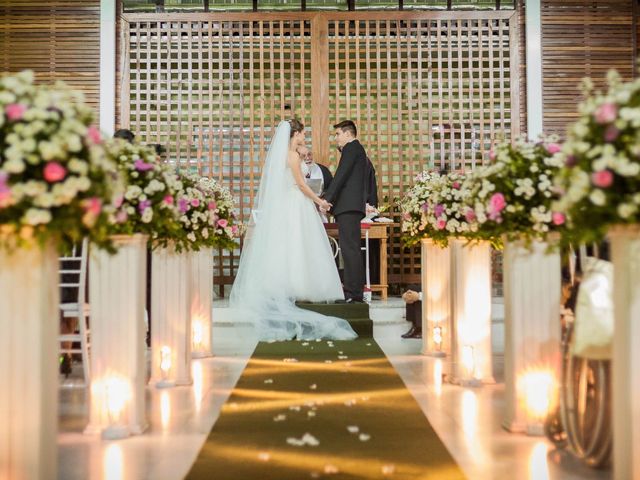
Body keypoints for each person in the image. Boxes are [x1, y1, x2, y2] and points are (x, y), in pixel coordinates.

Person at [229, 120, 357, 341]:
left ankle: (292, 283)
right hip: (297, 203)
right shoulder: (293, 156)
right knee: (299, 244)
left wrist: (302, 152)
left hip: (291, 203)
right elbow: (300, 184)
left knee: (290, 245)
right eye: (302, 134)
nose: (304, 137)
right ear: (295, 133)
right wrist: (320, 201)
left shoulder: (288, 155)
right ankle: (300, 285)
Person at [323, 120, 369, 304]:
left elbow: (341, 175)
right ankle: (354, 292)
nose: (336, 138)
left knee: (350, 250)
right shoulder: (357, 150)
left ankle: (353, 293)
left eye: (338, 134)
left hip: (348, 207)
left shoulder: (352, 148)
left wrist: (327, 199)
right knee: (351, 250)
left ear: (348, 134)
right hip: (351, 207)